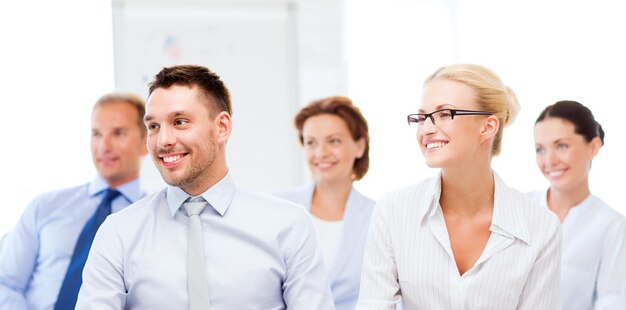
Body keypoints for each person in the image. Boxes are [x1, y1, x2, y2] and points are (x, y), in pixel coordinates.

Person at [75, 65, 334, 309]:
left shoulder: (288, 225)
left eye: (180, 122)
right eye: (153, 126)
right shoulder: (118, 233)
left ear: (221, 127)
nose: (163, 140)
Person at [356, 64, 562, 309]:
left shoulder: (541, 227)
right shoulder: (393, 212)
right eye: (422, 117)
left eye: (445, 114)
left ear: (488, 126)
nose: (427, 129)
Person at [0, 93, 149, 310]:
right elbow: (6, 282)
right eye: (96, 134)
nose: (103, 146)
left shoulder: (155, 220)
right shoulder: (44, 207)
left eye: (118, 133)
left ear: (146, 142)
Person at [275, 96, 375, 310]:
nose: (321, 153)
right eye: (311, 143)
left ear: (359, 146)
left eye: (334, 141)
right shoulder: (277, 208)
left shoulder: (379, 217)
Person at [529, 100, 626, 309]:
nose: (549, 161)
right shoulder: (516, 209)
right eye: (540, 149)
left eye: (561, 146)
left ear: (593, 147)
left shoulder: (612, 226)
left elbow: (612, 301)